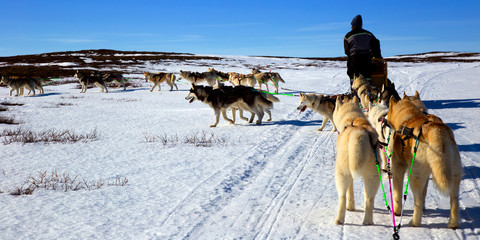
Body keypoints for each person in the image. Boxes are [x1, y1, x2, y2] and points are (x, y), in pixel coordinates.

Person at [344, 15, 382, 86]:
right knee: (367, 79)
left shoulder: (348, 36)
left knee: (354, 79)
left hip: (353, 61)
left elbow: (346, 51)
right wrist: (377, 57)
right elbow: (376, 45)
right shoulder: (368, 34)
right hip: (366, 60)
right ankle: (369, 94)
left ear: (352, 25)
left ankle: (354, 94)